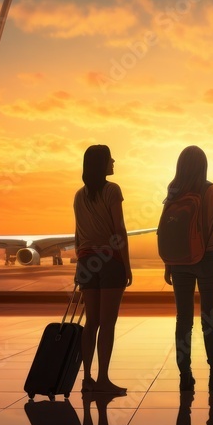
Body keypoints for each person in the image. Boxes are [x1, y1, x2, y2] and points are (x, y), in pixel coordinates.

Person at [161, 146, 213, 393]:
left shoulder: (173, 191)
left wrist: (168, 263)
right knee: (209, 320)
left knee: (183, 320)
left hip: (180, 263)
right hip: (208, 259)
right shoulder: (212, 191)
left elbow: (167, 230)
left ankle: (185, 376)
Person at [74, 144, 131, 396]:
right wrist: (126, 266)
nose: (114, 161)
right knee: (108, 323)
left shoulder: (79, 195)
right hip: (109, 261)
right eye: (110, 158)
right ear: (102, 164)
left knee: (91, 323)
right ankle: (103, 379)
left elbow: (77, 234)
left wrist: (82, 259)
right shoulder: (112, 190)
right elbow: (119, 230)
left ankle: (87, 379)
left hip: (86, 261)